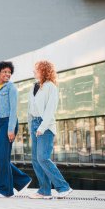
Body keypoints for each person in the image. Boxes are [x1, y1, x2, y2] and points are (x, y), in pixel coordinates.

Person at [0, 61, 32, 198]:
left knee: (2, 157)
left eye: (9, 72)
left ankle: (5, 190)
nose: (7, 74)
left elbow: (13, 110)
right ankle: (22, 180)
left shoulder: (11, 88)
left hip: (8, 122)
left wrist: (11, 129)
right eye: (5, 71)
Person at [28, 60, 73, 199]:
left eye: (36, 69)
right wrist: (31, 127)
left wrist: (42, 127)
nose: (33, 71)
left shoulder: (51, 87)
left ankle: (63, 187)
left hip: (45, 125)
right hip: (34, 123)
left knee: (43, 157)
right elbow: (30, 109)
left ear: (44, 70)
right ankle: (44, 190)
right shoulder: (34, 86)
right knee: (36, 159)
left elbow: (50, 110)